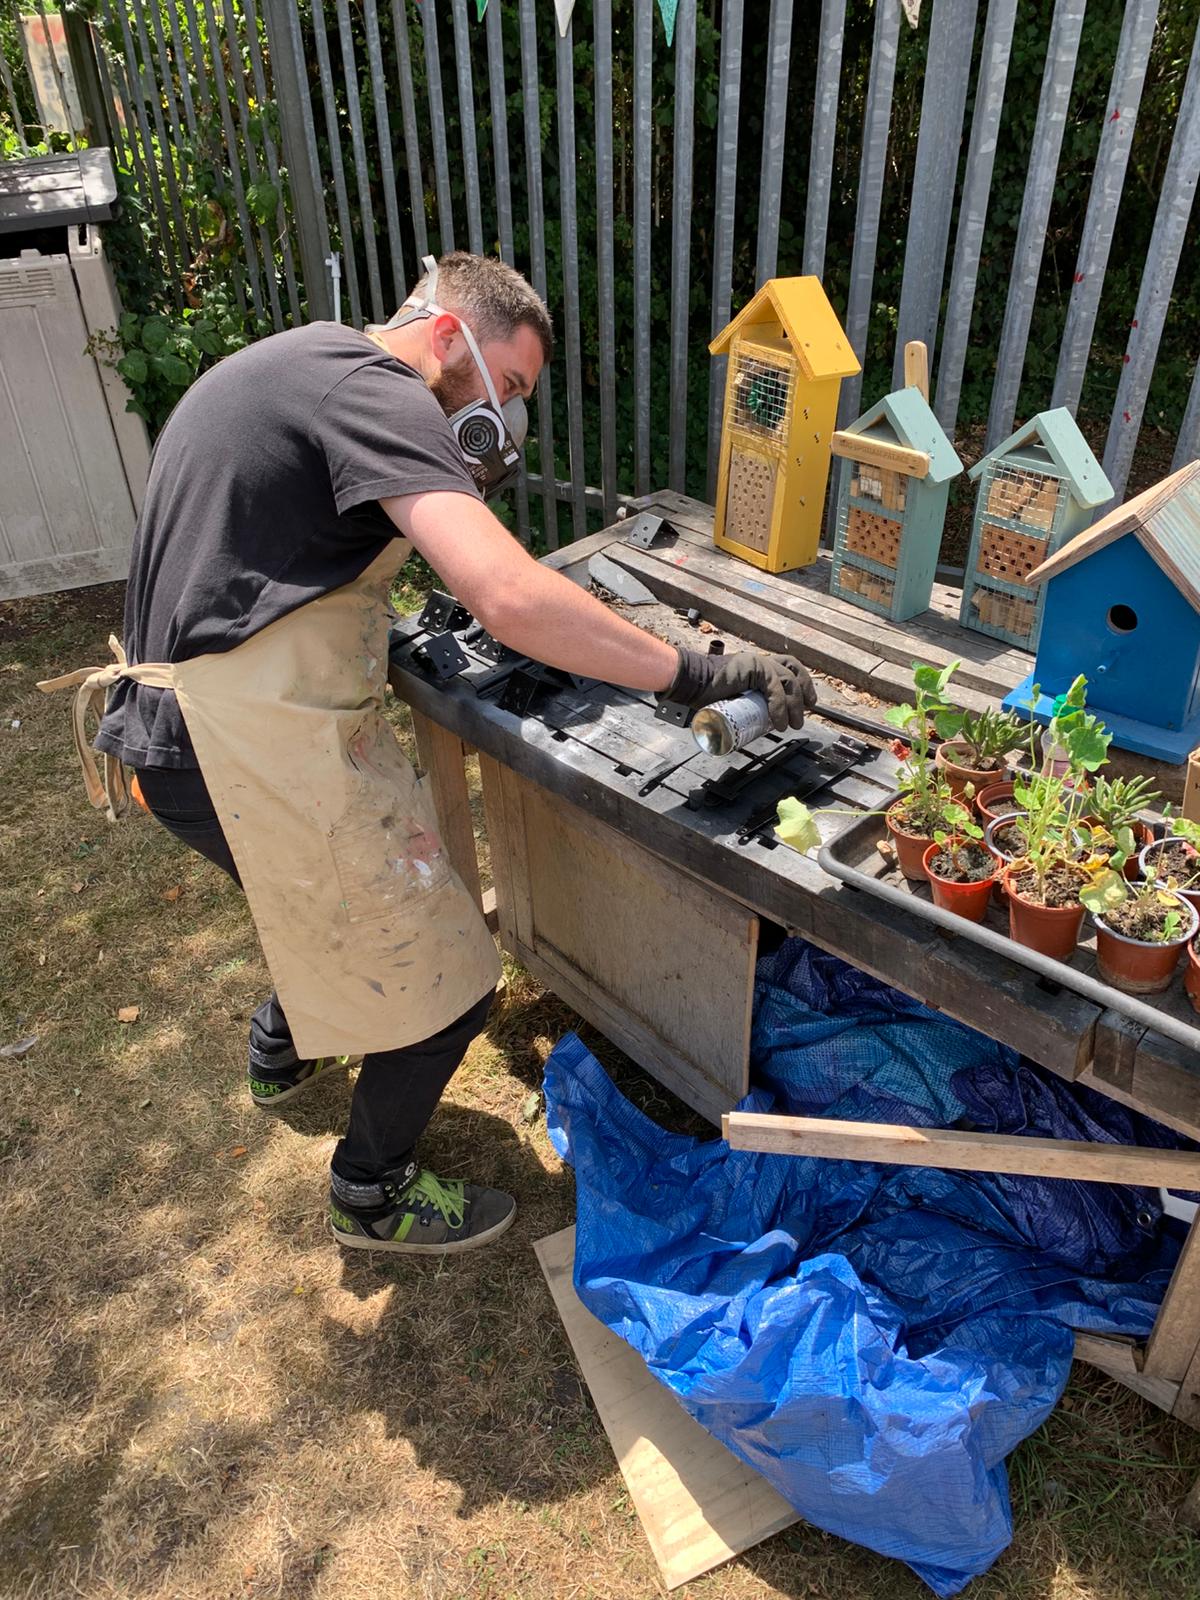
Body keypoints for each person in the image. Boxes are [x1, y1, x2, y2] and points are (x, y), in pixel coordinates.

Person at [42, 252, 816, 1256]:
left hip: (180, 733)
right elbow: (510, 595)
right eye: (515, 386)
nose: (513, 416)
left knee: (322, 901)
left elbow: (274, 555)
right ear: (448, 337)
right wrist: (698, 675)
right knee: (443, 976)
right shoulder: (383, 393)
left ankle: (281, 1054)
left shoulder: (305, 364)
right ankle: (371, 1190)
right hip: (237, 747)